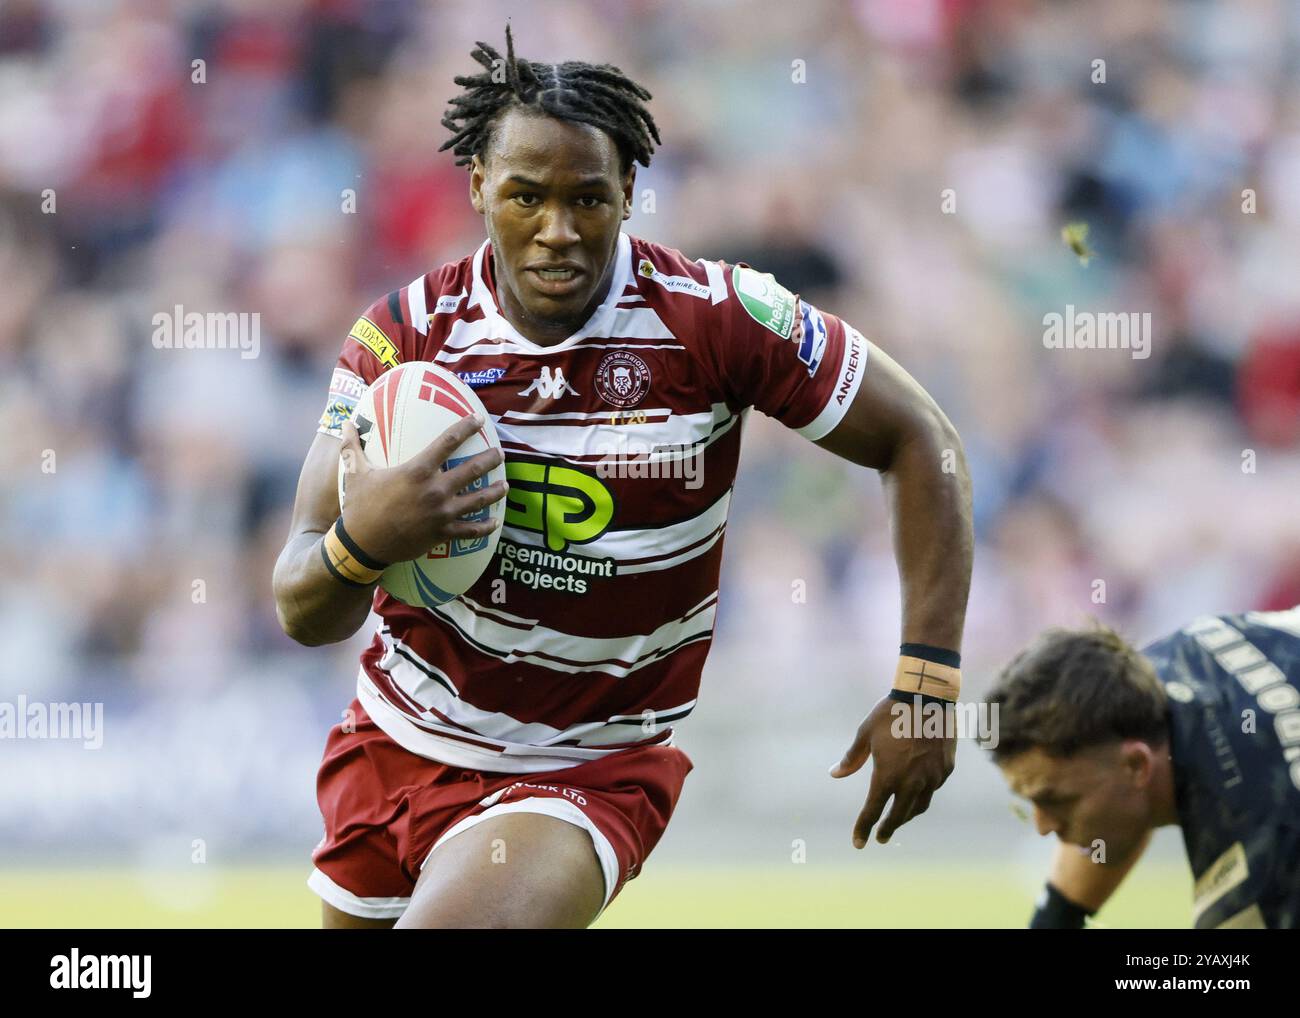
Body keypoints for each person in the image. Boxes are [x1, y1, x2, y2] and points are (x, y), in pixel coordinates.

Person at [272, 25, 973, 929]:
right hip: (394, 744)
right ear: (479, 186)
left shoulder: (718, 320)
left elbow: (925, 439)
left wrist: (928, 683)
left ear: (630, 193)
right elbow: (299, 604)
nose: (557, 231)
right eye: (525, 196)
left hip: (584, 765)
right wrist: (367, 539)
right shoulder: (400, 338)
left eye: (588, 200)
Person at [985, 608, 1300, 929]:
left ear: (1137, 766)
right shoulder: (1175, 662)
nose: (1043, 827)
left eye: (1058, 801)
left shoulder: (1261, 879)